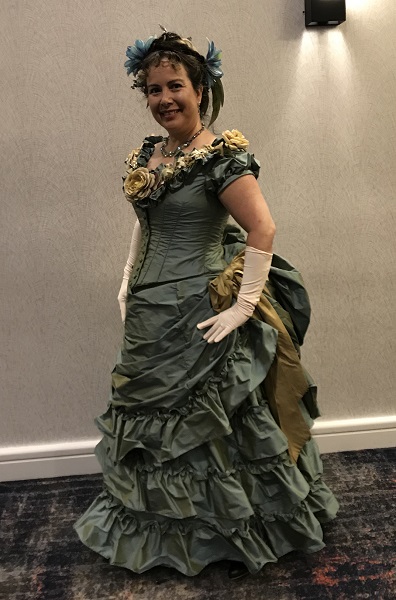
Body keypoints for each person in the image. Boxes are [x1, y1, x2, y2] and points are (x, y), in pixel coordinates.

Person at [74, 31, 339, 580]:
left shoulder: (222, 158)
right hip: (151, 308)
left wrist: (243, 307)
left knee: (215, 425)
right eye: (153, 89)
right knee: (154, 426)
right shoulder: (151, 153)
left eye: (175, 86)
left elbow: (262, 226)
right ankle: (163, 524)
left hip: (199, 306)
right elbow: (145, 221)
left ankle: (233, 529)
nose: (164, 98)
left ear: (201, 89)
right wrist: (128, 278)